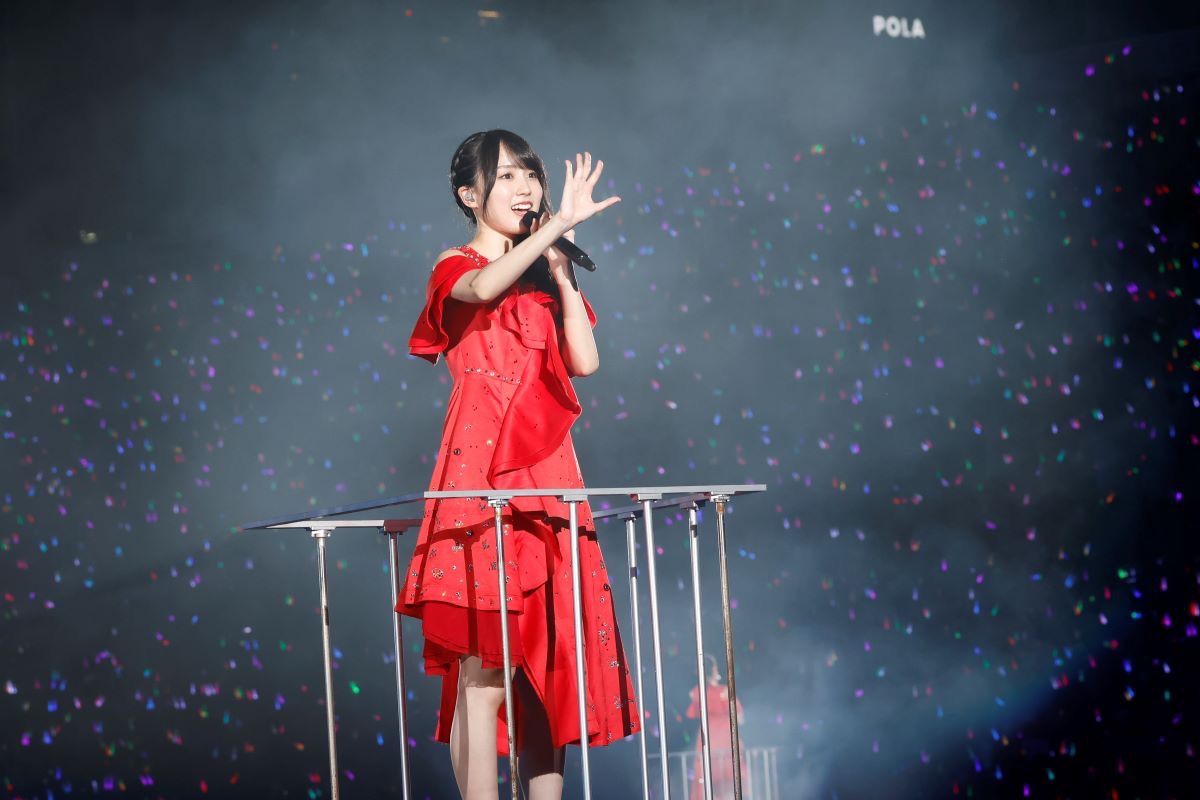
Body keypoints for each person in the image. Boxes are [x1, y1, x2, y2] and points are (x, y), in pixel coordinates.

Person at [395, 130, 640, 800]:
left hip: (549, 472)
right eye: (505, 176)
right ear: (469, 194)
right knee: (484, 672)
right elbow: (480, 286)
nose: (525, 186)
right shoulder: (455, 263)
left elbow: (585, 361)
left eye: (530, 174)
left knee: (547, 663)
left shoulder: (540, 272)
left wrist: (560, 271)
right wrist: (553, 229)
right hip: (479, 471)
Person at [686, 656, 747, 800]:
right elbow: (740, 719)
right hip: (725, 739)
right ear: (714, 669)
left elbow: (692, 715)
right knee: (729, 783)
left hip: (707, 740)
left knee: (707, 782)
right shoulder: (725, 692)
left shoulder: (696, 693)